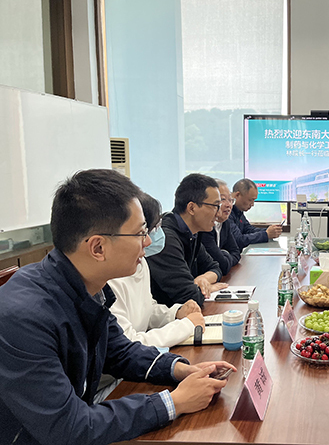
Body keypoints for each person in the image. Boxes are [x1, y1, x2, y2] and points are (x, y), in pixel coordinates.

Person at [0, 169, 235, 445]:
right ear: (98, 248)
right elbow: (68, 427)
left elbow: (121, 351)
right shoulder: (24, 317)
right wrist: (173, 402)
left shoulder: (89, 286)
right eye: (140, 233)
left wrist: (180, 369)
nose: (148, 242)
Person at [108, 192, 206, 348]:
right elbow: (127, 344)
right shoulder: (108, 280)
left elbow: (147, 310)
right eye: (142, 232)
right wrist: (185, 326)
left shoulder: (140, 263)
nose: (148, 240)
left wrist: (175, 313)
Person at [147, 173, 227, 308]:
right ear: (191, 208)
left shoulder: (191, 233)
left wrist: (204, 279)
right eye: (215, 206)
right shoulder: (166, 239)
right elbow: (189, 296)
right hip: (166, 317)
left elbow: (215, 267)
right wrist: (207, 288)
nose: (218, 213)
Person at [200, 179, 241, 276]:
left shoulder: (225, 223)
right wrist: (225, 253)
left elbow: (236, 252)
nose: (228, 205)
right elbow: (223, 265)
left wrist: (224, 255)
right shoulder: (205, 227)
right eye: (223, 200)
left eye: (230, 200)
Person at [228, 178, 282, 249]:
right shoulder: (227, 214)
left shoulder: (239, 213)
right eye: (250, 200)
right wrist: (266, 235)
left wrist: (269, 230)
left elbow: (249, 230)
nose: (252, 204)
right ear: (237, 195)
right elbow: (239, 240)